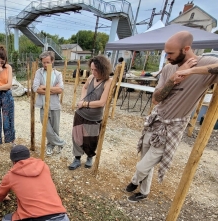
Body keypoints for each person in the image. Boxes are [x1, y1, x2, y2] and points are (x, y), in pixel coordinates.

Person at [125, 31, 218, 202]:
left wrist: (192, 71)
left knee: (143, 165)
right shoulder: (169, 68)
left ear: (186, 49)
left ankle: (135, 180)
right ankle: (144, 192)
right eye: (165, 52)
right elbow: (155, 99)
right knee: (145, 159)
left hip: (172, 126)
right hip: (156, 120)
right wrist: (174, 78)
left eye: (171, 53)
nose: (167, 56)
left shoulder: (205, 63)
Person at [0, 145, 69, 221]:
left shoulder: (11, 175)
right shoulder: (44, 166)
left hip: (34, 217)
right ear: (29, 157)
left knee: (6, 219)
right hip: (61, 215)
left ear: (13, 162)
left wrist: (3, 197)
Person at [68, 55, 112, 170]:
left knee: (91, 138)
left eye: (96, 70)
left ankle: (89, 156)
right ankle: (77, 158)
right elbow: (84, 88)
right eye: (91, 69)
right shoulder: (91, 77)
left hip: (94, 116)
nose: (93, 72)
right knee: (77, 136)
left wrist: (85, 104)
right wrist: (82, 99)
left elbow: (102, 102)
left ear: (103, 68)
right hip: (81, 113)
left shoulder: (108, 82)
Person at [32, 51, 65, 156]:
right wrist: (52, 89)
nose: (45, 65)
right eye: (43, 62)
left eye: (47, 62)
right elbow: (35, 88)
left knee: (55, 128)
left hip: (55, 105)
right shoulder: (39, 72)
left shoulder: (58, 74)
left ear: (52, 61)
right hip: (42, 104)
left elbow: (60, 89)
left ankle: (50, 146)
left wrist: (45, 87)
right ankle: (61, 143)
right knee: (46, 127)